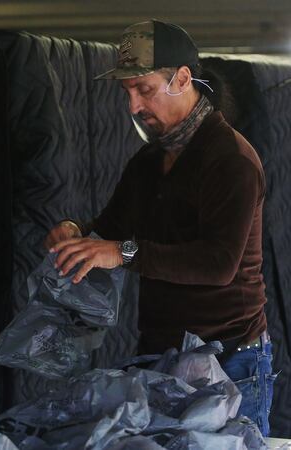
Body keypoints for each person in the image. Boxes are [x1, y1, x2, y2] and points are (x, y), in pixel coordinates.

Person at [44, 20, 274, 436]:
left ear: (182, 79)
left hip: (229, 362)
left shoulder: (231, 160)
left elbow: (217, 264)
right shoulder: (149, 163)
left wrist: (121, 252)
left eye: (144, 90)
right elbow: (109, 229)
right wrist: (74, 230)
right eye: (126, 92)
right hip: (160, 357)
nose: (133, 106)